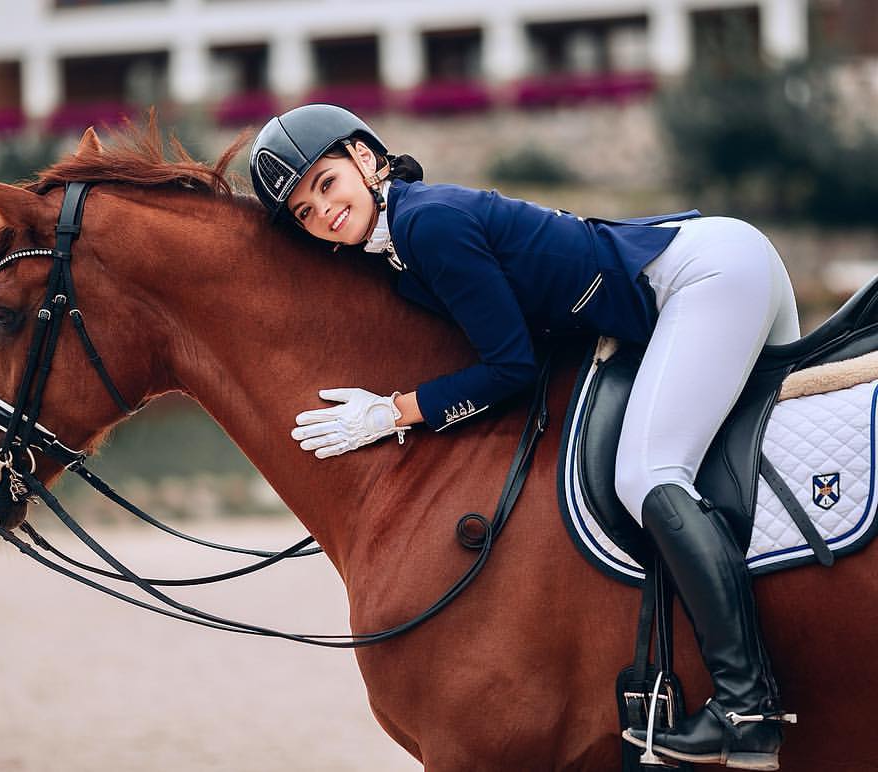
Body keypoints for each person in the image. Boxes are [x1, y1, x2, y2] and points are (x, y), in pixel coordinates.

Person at [249, 103, 799, 769]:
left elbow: (510, 367)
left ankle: (745, 708)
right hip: (715, 265)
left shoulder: (427, 223)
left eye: (325, 183)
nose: (323, 211)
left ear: (365, 159)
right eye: (305, 211)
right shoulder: (401, 239)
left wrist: (394, 411)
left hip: (704, 277)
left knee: (648, 475)